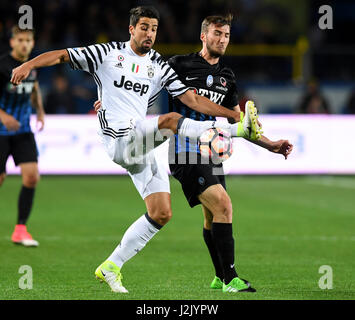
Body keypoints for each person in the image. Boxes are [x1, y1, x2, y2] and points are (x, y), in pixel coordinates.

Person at [11, 6, 262, 293]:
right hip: (119, 140)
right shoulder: (107, 53)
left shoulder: (158, 64)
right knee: (170, 121)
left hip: (141, 145)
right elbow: (62, 54)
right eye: (144, 27)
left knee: (161, 212)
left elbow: (191, 100)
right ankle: (239, 132)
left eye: (154, 29)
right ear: (131, 29)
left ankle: (111, 266)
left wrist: (231, 112)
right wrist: (28, 64)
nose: (150, 33)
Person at [167, 15, 293, 293]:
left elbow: (241, 123)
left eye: (226, 35)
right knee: (224, 205)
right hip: (185, 152)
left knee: (213, 215)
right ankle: (230, 278)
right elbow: (148, 90)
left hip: (211, 154)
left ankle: (218, 276)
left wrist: (270, 144)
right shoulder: (178, 64)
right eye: (217, 33)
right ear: (203, 35)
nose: (222, 39)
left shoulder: (228, 77)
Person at [0, 26, 45, 247]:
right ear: (12, 42)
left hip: (23, 131)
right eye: (20, 40)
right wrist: (4, 116)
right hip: (1, 131)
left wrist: (40, 111)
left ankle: (20, 230)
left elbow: (34, 88)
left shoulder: (32, 67)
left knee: (31, 177)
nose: (25, 44)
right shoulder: (3, 66)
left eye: (28, 40)